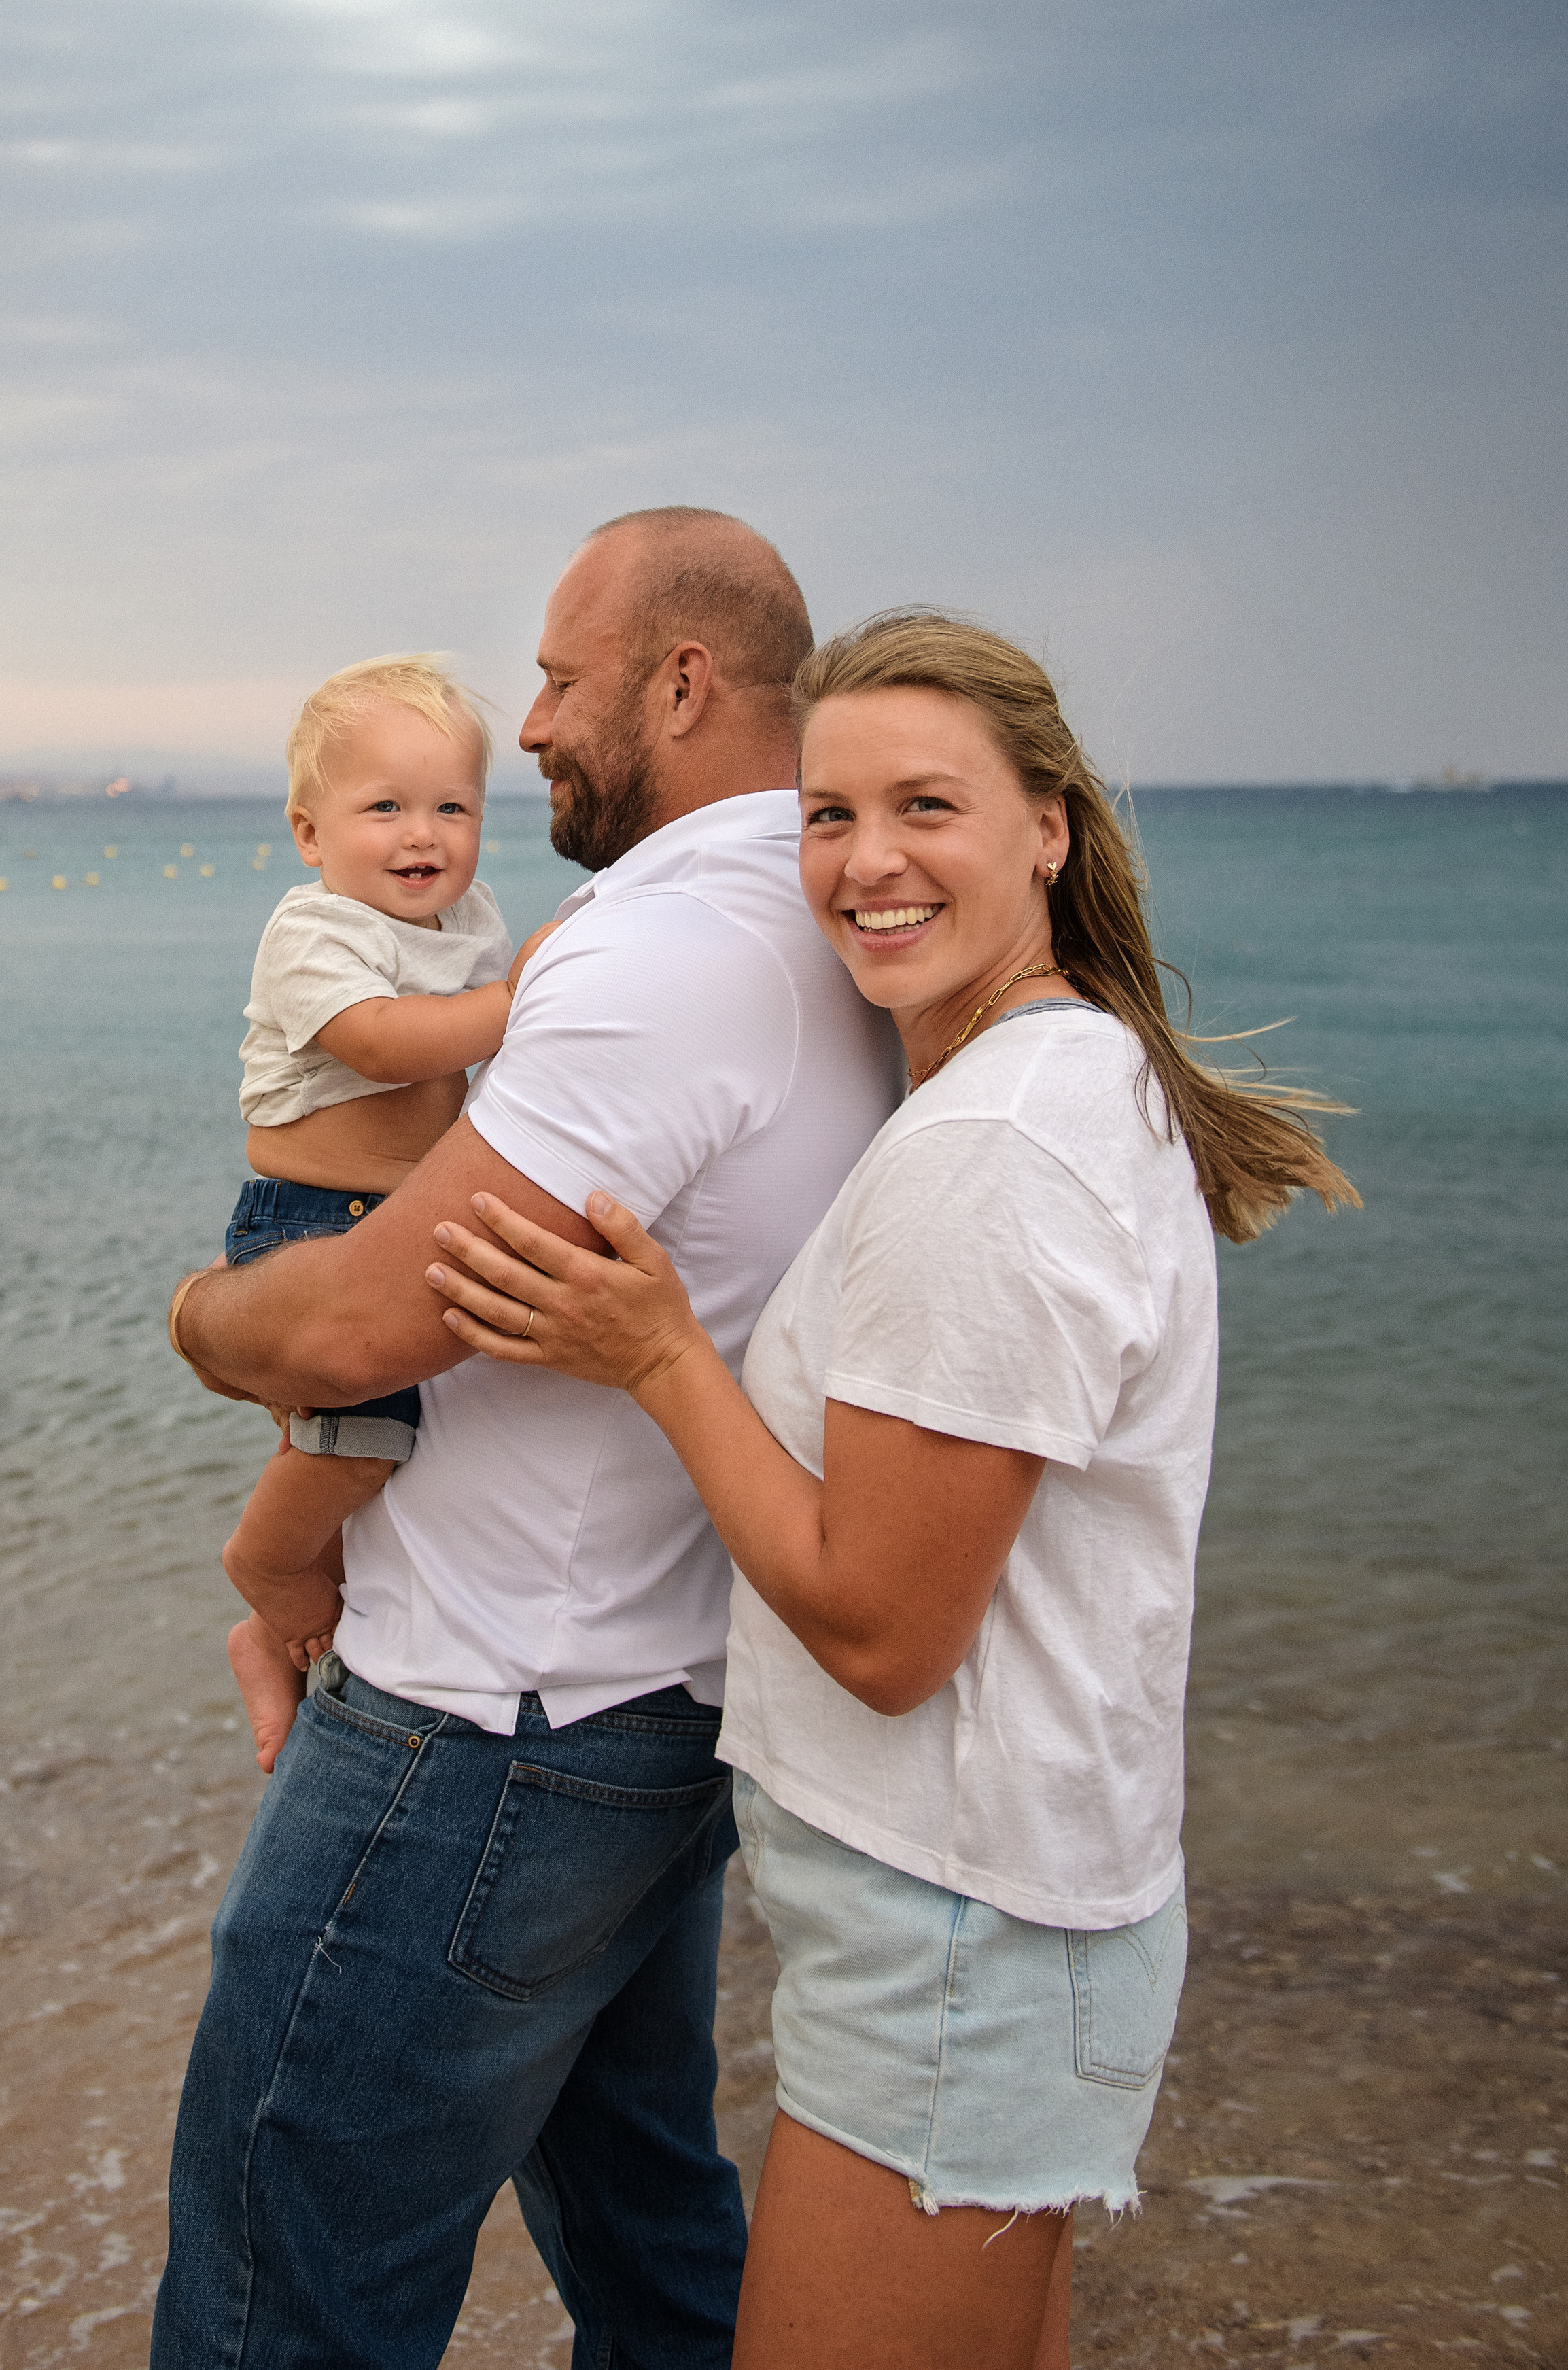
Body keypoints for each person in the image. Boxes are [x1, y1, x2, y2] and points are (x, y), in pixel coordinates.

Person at [427, 612, 1359, 2370]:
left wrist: (660, 1358)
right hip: (1014, 1913)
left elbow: (882, 1628)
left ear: (1051, 830)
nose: (865, 863)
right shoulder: (1069, 1070)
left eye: (925, 805)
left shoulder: (994, 1150)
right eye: (826, 814)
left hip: (962, 1942)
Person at [150, 510, 903, 2370]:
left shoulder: (663, 954)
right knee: (655, 2244)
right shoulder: (805, 922)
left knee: (282, 2292)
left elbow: (353, 1321)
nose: (540, 722)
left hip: (489, 1725)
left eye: (560, 680)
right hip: (653, 1698)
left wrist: (196, 1316)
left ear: (680, 682)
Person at [209, 652, 553, 1774]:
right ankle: (263, 1566)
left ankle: (274, 1643)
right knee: (364, 1442)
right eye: (386, 808)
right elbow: (382, 1043)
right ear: (312, 834)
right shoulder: (316, 931)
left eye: (451, 806)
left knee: (376, 1476)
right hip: (309, 1221)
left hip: (389, 1218)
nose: (423, 835)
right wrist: (515, 1004)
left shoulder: (472, 916)